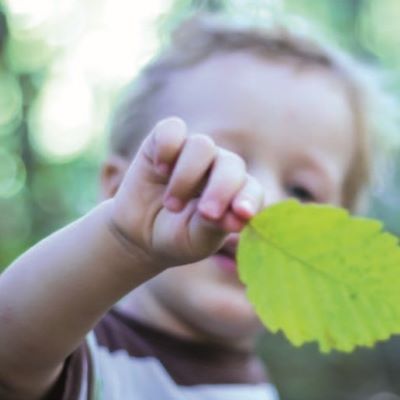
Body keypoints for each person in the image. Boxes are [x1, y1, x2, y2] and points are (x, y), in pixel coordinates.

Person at [0, 12, 389, 400]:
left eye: (302, 191)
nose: (261, 200)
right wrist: (123, 239)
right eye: (218, 164)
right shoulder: (82, 354)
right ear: (120, 189)